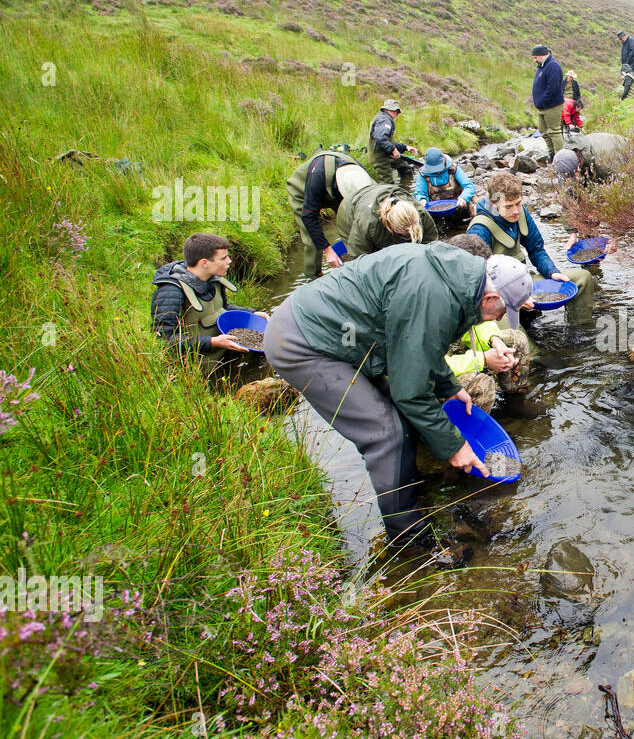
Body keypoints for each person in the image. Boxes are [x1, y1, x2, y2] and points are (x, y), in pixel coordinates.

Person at [263, 243, 534, 557]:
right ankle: (409, 542)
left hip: (343, 336)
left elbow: (420, 348)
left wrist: (448, 385)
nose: (498, 317)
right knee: (386, 432)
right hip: (303, 341)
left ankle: (410, 492)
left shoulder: (459, 276)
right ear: (489, 298)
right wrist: (455, 448)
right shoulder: (434, 297)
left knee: (398, 420)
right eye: (501, 311)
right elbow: (411, 392)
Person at [151, 233, 268, 372]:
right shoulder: (171, 292)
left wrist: (252, 313)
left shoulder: (214, 280)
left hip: (222, 356)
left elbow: (222, 308)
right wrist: (212, 342)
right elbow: (164, 340)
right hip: (195, 370)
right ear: (204, 263)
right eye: (224, 258)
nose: (229, 261)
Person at [467, 171, 592, 301]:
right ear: (494, 204)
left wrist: (552, 272)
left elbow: (536, 250)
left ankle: (579, 321)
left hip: (523, 280)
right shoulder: (479, 229)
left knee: (583, 278)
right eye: (508, 206)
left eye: (518, 203)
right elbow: (476, 281)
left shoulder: (520, 212)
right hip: (497, 294)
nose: (516, 211)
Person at [443, 234, 532, 411]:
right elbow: (429, 367)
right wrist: (482, 360)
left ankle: (515, 405)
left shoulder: (466, 290)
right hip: (422, 373)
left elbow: (476, 322)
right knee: (482, 386)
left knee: (515, 340)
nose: (500, 319)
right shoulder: (435, 302)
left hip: (452, 351)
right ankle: (466, 435)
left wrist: (494, 339)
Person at [286, 148, 375, 276]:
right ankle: (313, 277)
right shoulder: (319, 174)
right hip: (303, 191)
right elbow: (308, 216)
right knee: (312, 240)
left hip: (337, 191)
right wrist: (327, 249)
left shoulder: (360, 175)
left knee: (353, 224)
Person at [336, 182, 438, 258]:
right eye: (406, 233)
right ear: (391, 226)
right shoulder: (368, 223)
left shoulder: (420, 212)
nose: (410, 235)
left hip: (378, 191)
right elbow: (358, 258)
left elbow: (432, 243)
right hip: (349, 209)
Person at [413, 148, 476, 219]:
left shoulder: (453, 169)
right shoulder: (423, 174)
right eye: (434, 170)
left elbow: (469, 186)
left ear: (444, 161)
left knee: (472, 198)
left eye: (438, 168)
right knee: (418, 208)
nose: (437, 172)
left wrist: (464, 197)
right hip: (435, 209)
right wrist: (422, 199)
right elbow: (420, 193)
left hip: (458, 204)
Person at [531, 44, 565, 159]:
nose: (534, 59)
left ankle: (560, 158)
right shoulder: (542, 66)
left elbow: (553, 88)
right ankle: (552, 156)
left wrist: (543, 101)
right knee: (543, 132)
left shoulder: (553, 66)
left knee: (554, 132)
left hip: (551, 106)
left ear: (542, 55)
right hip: (542, 107)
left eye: (535, 57)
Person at [367, 99, 412, 184]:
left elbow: (391, 143)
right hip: (379, 158)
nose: (397, 114)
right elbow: (380, 138)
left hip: (387, 154)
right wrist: (393, 150)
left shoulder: (387, 119)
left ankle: (405, 190)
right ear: (388, 110)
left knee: (405, 168)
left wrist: (406, 147)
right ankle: (389, 195)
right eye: (396, 111)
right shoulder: (384, 120)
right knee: (388, 183)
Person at [559, 131, 629, 182]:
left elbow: (620, 181)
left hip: (630, 156)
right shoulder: (576, 148)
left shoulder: (603, 163)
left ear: (577, 166)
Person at [561, 71, 584, 135]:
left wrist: (581, 125)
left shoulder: (575, 83)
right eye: (570, 77)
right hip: (564, 102)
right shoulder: (562, 82)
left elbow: (577, 92)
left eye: (572, 77)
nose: (571, 78)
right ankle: (565, 129)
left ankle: (569, 131)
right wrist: (569, 123)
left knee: (573, 116)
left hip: (573, 101)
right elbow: (566, 114)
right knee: (566, 116)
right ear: (567, 76)